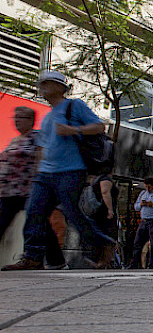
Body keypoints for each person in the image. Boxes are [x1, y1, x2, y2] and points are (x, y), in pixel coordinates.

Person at [2, 71, 113, 271]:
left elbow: (99, 127)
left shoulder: (74, 106)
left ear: (61, 87)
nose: (42, 87)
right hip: (45, 174)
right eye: (42, 83)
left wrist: (73, 130)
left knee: (73, 214)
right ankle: (33, 256)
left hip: (71, 170)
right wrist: (36, 173)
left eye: (48, 83)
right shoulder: (47, 117)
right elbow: (42, 149)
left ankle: (103, 243)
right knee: (34, 211)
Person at [0, 106, 66, 269]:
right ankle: (56, 261)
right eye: (15, 117)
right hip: (10, 191)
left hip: (29, 189)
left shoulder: (37, 137)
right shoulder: (15, 141)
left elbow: (42, 159)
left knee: (38, 224)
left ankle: (52, 261)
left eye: (21, 117)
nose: (17, 121)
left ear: (31, 120)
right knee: (38, 224)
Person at [87, 172, 120, 268]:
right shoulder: (105, 179)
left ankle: (101, 260)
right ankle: (103, 261)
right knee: (108, 237)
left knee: (100, 235)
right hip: (103, 214)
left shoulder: (95, 180)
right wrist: (110, 209)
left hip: (96, 213)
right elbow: (105, 192)